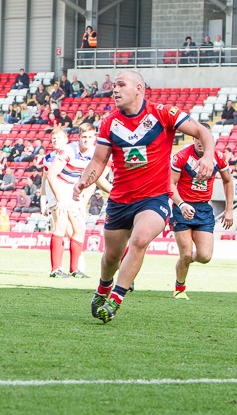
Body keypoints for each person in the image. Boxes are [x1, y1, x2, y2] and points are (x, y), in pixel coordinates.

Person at [73, 71, 216, 323]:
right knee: (111, 257)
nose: (114, 90)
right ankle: (104, 287)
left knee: (139, 240)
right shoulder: (109, 123)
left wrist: (207, 156)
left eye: (120, 85)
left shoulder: (163, 113)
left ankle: (116, 299)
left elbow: (203, 133)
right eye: (114, 86)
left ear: (138, 89)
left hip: (155, 198)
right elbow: (98, 160)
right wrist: (85, 180)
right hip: (120, 200)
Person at [170, 122, 234, 300]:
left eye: (204, 137)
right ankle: (179, 288)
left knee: (205, 256)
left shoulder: (218, 157)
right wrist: (182, 204)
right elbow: (170, 184)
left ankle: (184, 260)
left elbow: (228, 181)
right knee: (186, 252)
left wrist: (229, 210)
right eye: (197, 137)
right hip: (182, 208)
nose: (200, 141)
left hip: (204, 209)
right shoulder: (181, 157)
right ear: (193, 137)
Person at [44, 126, 111, 279]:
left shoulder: (96, 154)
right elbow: (52, 175)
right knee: (60, 224)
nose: (86, 140)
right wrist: (60, 199)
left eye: (89, 137)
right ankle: (56, 269)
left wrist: (83, 202)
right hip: (59, 185)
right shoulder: (68, 150)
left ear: (94, 138)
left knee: (79, 227)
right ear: (79, 138)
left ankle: (75, 270)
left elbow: (94, 180)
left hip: (75, 188)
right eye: (83, 137)